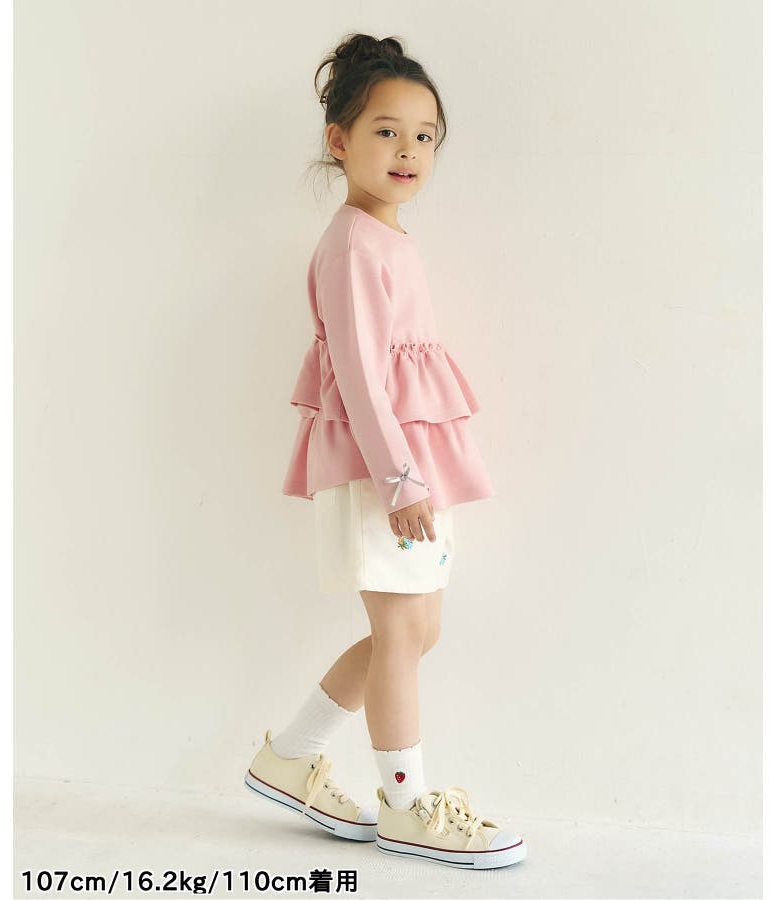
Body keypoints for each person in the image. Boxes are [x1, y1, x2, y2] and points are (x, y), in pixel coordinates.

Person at [244, 33, 526, 871]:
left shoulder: (385, 238)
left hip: (404, 467)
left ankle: (290, 756)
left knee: (417, 628)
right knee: (401, 631)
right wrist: (400, 479)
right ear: (339, 140)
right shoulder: (352, 245)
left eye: (425, 135)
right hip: (382, 470)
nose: (408, 150)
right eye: (386, 131)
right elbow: (364, 376)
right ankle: (405, 806)